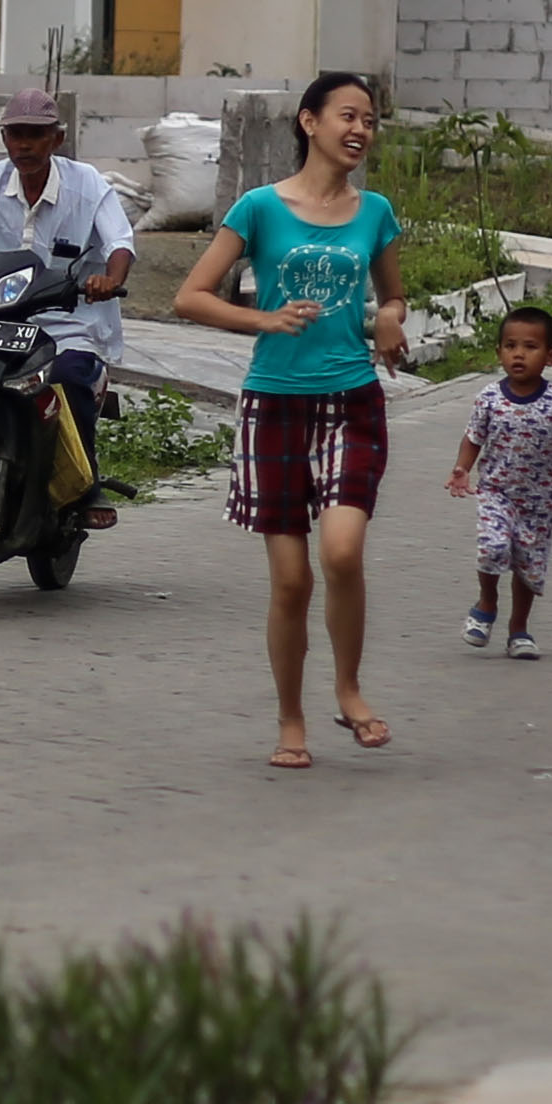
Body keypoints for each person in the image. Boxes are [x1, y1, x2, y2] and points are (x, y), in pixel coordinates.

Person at [178, 70, 407, 771]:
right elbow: (191, 296)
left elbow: (394, 297)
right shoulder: (258, 208)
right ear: (309, 122)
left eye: (369, 119)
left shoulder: (377, 213)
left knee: (340, 551)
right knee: (290, 582)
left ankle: (348, 687)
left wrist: (391, 323)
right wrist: (263, 318)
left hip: (351, 400)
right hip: (273, 404)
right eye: (347, 114)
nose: (360, 129)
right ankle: (290, 719)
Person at [0, 85, 140, 526]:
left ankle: (84, 485)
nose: (24, 144)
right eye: (15, 134)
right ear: (4, 139)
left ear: (57, 139)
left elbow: (120, 242)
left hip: (68, 322)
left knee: (69, 378)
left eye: (36, 134)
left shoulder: (87, 184)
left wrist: (110, 280)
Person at [446, 303, 552, 656]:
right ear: (499, 351)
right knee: (492, 548)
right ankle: (486, 603)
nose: (518, 355)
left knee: (529, 567)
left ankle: (519, 629)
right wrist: (461, 468)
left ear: (550, 356)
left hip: (538, 501)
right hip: (496, 493)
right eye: (510, 346)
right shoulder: (489, 398)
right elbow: (473, 437)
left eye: (530, 347)